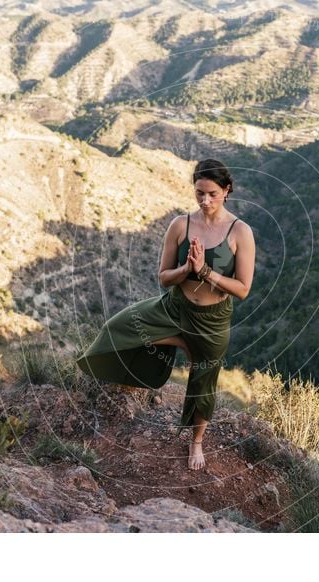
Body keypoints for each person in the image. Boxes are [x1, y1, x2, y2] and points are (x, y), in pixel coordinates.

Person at [76, 159, 256, 470]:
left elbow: (242, 289)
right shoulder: (180, 225)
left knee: (203, 380)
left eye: (212, 193)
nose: (205, 200)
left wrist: (206, 271)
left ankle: (196, 441)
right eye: (199, 192)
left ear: (227, 191)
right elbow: (163, 277)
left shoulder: (240, 231)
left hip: (211, 319)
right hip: (173, 307)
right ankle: (147, 365)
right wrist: (187, 269)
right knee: (116, 327)